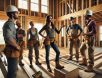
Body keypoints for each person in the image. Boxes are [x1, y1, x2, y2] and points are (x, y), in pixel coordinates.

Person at [3, 5, 20, 78]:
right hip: (12, 50)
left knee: (13, 71)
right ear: (12, 14)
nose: (18, 14)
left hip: (12, 50)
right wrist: (17, 46)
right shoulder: (9, 24)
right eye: (16, 12)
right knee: (12, 73)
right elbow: (8, 38)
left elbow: (11, 36)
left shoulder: (12, 24)